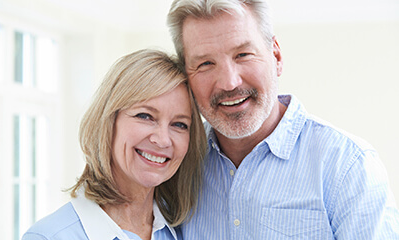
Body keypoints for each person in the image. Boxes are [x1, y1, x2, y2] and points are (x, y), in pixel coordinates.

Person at [167, 0, 399, 239]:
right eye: (205, 64)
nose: (229, 83)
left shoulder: (348, 166)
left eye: (243, 55)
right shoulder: (176, 163)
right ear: (186, 76)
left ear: (276, 56)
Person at [22, 49, 206, 240]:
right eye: (145, 116)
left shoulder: (183, 231)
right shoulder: (49, 237)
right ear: (109, 121)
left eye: (179, 124)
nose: (163, 140)